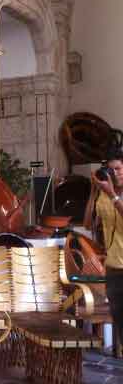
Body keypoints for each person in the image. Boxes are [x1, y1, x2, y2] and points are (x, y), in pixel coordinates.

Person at [85, 147, 123, 349]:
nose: (114, 174)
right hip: (113, 268)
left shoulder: (112, 195)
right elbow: (88, 224)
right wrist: (94, 192)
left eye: (118, 169)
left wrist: (113, 196)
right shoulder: (104, 195)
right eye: (111, 170)